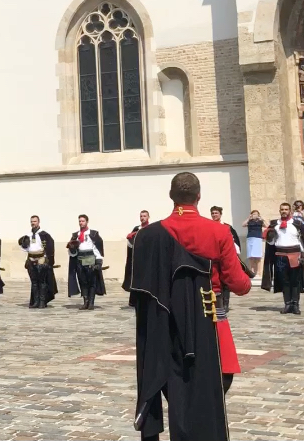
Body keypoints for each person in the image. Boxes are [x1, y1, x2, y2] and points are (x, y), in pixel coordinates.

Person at [131, 172, 252, 441]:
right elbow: (238, 283)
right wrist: (248, 281)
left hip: (164, 326)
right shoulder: (218, 231)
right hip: (209, 321)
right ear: (199, 197)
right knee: (212, 390)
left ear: (171, 197)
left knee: (175, 392)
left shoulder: (148, 235)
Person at [262, 202, 304, 315]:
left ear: (290, 211)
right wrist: (268, 236)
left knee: (295, 282)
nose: (284, 211)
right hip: (280, 256)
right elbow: (271, 243)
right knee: (284, 282)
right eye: (282, 209)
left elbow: (303, 242)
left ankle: (295, 305)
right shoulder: (274, 225)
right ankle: (287, 304)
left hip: (295, 255)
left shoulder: (297, 224)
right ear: (279, 211)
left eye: (286, 209)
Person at [67, 214, 105, 310]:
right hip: (80, 260)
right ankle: (85, 302)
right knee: (82, 282)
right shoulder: (75, 235)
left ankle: (91, 302)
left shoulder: (93, 234)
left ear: (87, 222)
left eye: (83, 221)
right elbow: (73, 253)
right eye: (80, 221)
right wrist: (72, 249)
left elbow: (97, 248)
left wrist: (99, 261)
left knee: (91, 282)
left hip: (90, 259)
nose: (81, 223)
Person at [19, 215, 57, 308]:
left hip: (41, 259)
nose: (33, 223)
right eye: (31, 221)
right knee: (34, 282)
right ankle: (35, 301)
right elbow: (25, 249)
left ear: (38, 222)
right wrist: (23, 245)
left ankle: (42, 302)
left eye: (35, 221)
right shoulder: (27, 235)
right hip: (31, 259)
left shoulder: (44, 235)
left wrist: (49, 262)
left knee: (42, 281)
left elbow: (50, 248)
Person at [210, 205, 242, 313]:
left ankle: (225, 303)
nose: (214, 215)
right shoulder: (208, 226)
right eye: (213, 213)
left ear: (220, 214)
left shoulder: (227, 227)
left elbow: (235, 242)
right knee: (215, 281)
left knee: (225, 281)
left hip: (225, 258)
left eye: (216, 213)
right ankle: (217, 303)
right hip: (213, 258)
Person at [121, 210, 150, 293]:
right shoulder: (137, 228)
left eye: (144, 216)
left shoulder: (151, 228)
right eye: (141, 216)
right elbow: (130, 239)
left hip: (147, 257)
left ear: (148, 217)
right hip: (137, 257)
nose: (142, 218)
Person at [244, 209, 265, 274]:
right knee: (251, 256)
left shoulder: (260, 221)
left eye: (256, 214)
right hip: (250, 238)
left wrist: (262, 219)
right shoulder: (249, 221)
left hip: (258, 238)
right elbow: (243, 224)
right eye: (253, 214)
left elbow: (267, 225)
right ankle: (252, 271)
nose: (254, 215)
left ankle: (259, 272)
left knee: (258, 256)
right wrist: (249, 218)